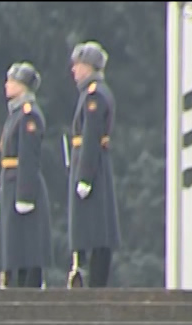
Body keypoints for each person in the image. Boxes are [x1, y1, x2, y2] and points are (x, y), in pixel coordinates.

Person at [65, 41, 119, 289]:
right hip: (91, 162)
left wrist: (84, 175)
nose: (74, 70)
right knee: (93, 225)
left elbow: (91, 136)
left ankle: (92, 279)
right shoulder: (90, 92)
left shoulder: (94, 94)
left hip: (92, 165)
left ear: (88, 67)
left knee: (95, 227)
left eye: (78, 65)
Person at [0, 61, 51, 289]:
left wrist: (25, 196)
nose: (7, 85)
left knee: (26, 246)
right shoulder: (15, 114)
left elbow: (28, 158)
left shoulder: (29, 115)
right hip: (10, 183)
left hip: (22, 184)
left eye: (11, 81)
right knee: (13, 247)